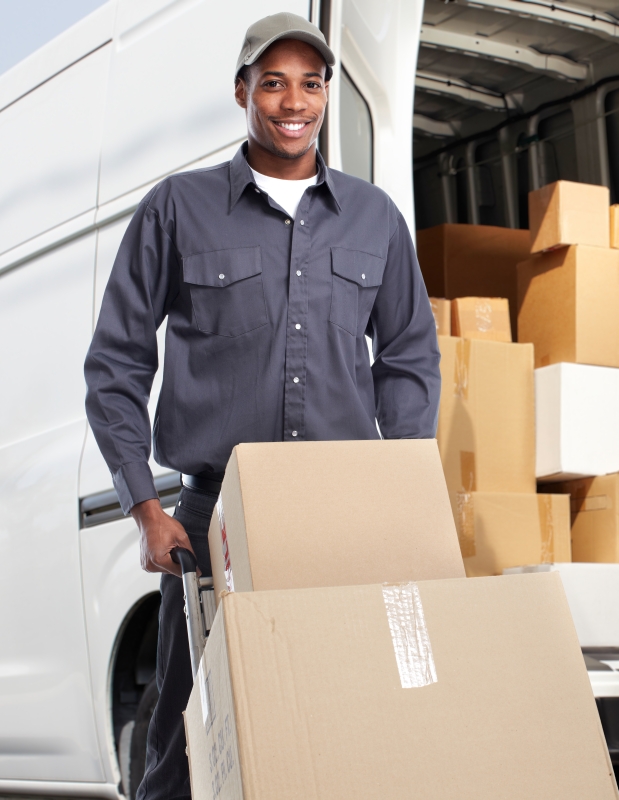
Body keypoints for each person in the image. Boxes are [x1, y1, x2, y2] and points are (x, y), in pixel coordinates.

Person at [83, 13, 440, 799]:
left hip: (340, 516)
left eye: (311, 84)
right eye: (272, 81)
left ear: (326, 96)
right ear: (242, 91)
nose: (293, 101)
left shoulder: (375, 219)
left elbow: (410, 356)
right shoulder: (178, 208)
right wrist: (145, 506)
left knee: (339, 724)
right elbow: (115, 363)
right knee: (190, 730)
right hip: (213, 521)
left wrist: (402, 485)